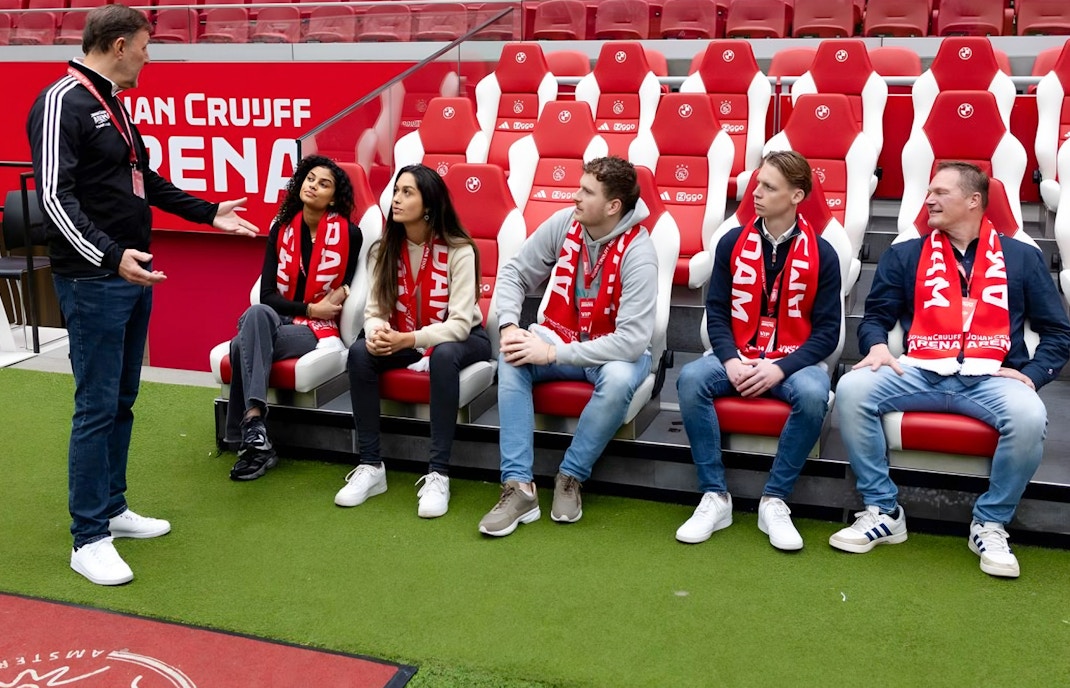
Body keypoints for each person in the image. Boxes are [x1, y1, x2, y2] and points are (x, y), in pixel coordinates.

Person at [26, 4, 259, 586]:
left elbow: (143, 182)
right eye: (147, 47)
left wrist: (208, 212)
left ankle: (113, 507)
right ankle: (88, 538)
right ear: (120, 44)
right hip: (96, 281)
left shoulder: (112, 104)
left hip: (131, 274)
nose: (151, 58)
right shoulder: (62, 101)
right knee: (96, 405)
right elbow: (55, 200)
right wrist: (110, 256)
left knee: (122, 399)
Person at [831, 161, 1070, 578]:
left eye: (940, 192)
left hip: (992, 377)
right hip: (919, 370)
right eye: (928, 192)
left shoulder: (1021, 257)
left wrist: (1032, 375)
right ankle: (883, 511)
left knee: (1030, 414)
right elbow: (874, 318)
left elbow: (1058, 332)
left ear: (974, 201)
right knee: (852, 390)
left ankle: (990, 523)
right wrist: (874, 348)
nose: (928, 200)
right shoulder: (905, 254)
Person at [478, 156, 658, 537]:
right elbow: (514, 272)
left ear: (613, 207)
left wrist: (553, 354)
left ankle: (570, 476)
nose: (574, 197)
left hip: (612, 352)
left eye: (586, 192)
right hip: (559, 334)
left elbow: (630, 342)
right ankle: (518, 486)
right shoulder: (566, 222)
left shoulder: (640, 253)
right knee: (512, 356)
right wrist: (510, 325)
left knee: (620, 377)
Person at [674, 151, 842, 551]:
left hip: (793, 360)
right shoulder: (732, 242)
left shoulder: (824, 253)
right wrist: (730, 359)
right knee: (691, 378)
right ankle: (715, 496)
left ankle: (775, 499)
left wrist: (780, 369)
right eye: (757, 183)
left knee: (815, 392)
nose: (756, 193)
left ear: (797, 195)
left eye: (769, 187)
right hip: (737, 353)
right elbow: (715, 312)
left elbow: (828, 334)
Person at [335, 164, 490, 518]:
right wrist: (377, 334)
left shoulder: (460, 249)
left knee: (444, 355)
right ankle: (371, 467)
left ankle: (439, 473)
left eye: (408, 193)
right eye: (396, 191)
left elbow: (461, 324)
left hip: (462, 340)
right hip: (407, 338)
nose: (397, 199)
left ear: (429, 203)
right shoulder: (383, 249)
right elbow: (374, 310)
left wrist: (408, 339)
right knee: (359, 352)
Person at [224, 155, 363, 481]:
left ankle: (248, 434)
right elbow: (268, 294)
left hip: (314, 331)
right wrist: (311, 308)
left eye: (323, 183)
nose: (313, 186)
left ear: (334, 197)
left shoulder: (350, 234)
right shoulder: (281, 230)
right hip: (283, 317)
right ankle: (255, 424)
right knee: (257, 313)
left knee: (239, 344)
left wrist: (341, 291)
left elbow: (352, 278)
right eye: (310, 179)